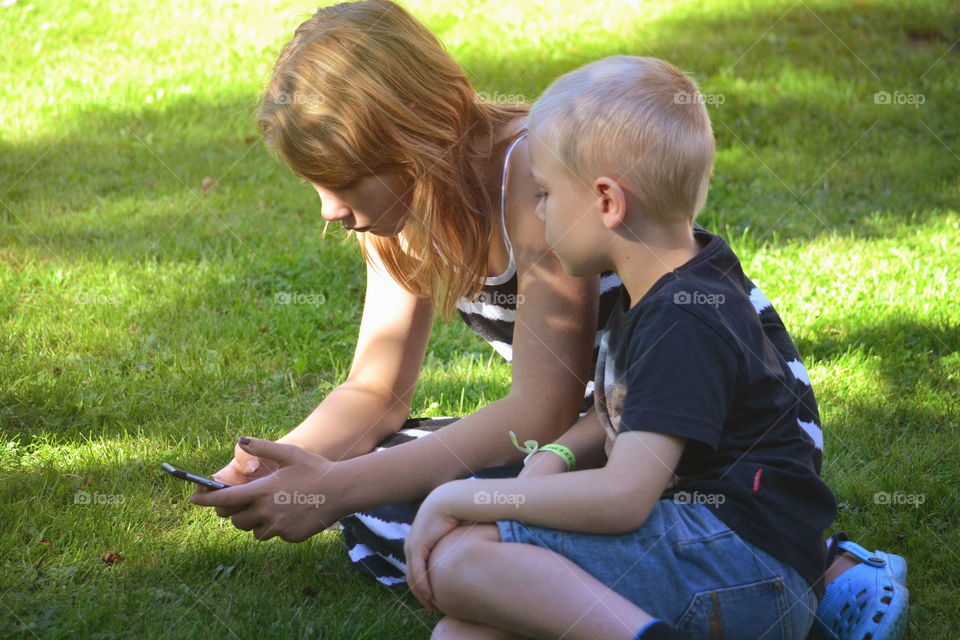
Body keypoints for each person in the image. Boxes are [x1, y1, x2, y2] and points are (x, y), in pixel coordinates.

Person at [188, 3, 908, 638]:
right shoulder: (398, 213)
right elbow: (377, 392)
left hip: (692, 440)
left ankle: (823, 568)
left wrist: (349, 488)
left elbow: (542, 405)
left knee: (408, 514)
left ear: (411, 143)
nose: (328, 209)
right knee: (389, 500)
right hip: (597, 432)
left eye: (342, 182)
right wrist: (282, 468)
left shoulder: (546, 178)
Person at [402, 56, 908, 640]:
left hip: (741, 568)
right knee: (461, 634)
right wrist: (552, 459)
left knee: (464, 560)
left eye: (543, 193)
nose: (536, 212)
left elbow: (625, 497)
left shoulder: (681, 320)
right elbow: (627, 410)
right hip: (724, 568)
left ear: (607, 202)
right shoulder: (677, 285)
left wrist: (468, 494)